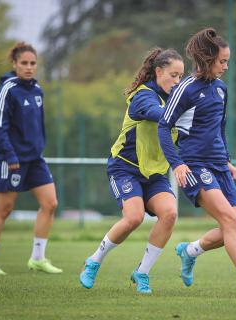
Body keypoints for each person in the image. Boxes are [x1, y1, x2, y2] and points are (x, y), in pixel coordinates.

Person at [158, 28, 236, 298]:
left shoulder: (221, 89)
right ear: (207, 59)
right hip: (193, 165)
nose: (226, 66)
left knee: (234, 226)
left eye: (228, 61)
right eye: (222, 61)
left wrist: (227, 160)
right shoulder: (186, 89)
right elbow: (163, 127)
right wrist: (176, 164)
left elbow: (220, 128)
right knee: (227, 219)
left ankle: (190, 251)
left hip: (219, 165)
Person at [79, 48, 184, 294]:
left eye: (181, 77)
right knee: (133, 218)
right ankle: (94, 261)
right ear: (158, 72)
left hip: (155, 173)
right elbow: (157, 115)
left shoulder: (177, 101)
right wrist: (182, 114)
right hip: (125, 168)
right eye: (173, 75)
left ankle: (142, 273)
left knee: (169, 214)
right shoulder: (142, 96)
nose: (177, 82)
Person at [0, 42, 62, 275]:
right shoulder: (7, 89)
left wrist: (38, 149)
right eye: (24, 63)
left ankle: (38, 258)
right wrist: (10, 156)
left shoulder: (37, 90)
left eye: (33, 63)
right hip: (12, 160)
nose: (29, 67)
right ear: (14, 64)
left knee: (50, 204)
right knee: (4, 209)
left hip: (35, 159)